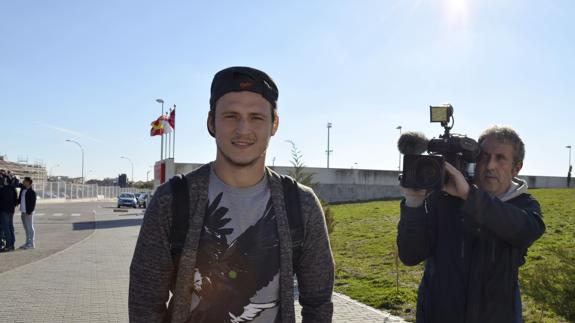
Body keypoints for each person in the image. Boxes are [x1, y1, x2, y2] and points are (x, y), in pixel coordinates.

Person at [129, 66, 334, 323]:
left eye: (256, 117)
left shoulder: (301, 204)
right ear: (211, 122)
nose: (242, 129)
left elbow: (319, 303)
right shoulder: (171, 200)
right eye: (231, 116)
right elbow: (144, 303)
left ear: (275, 124)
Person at [397, 125, 545, 323]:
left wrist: (469, 196)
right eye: (484, 156)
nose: (490, 165)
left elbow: (527, 230)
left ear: (516, 168)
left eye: (500, 158)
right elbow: (410, 255)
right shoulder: (443, 200)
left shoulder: (524, 205)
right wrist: (414, 204)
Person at [0, 172, 18, 252]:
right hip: (11, 210)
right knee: (10, 227)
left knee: (6, 228)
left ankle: (9, 245)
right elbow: (16, 200)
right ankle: (12, 244)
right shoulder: (12, 189)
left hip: (4, 211)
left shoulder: (3, 190)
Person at [17, 177, 37, 249]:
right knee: (26, 228)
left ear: (28, 182)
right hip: (23, 211)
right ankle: (27, 243)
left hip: (28, 212)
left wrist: (30, 211)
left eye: (24, 181)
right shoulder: (23, 189)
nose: (23, 182)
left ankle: (31, 244)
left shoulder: (32, 192)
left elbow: (33, 203)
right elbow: (19, 185)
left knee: (30, 228)